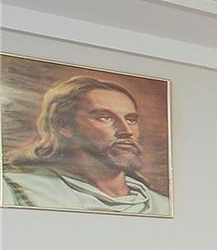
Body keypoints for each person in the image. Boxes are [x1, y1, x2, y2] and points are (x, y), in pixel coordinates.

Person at [3, 74, 171, 215]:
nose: (126, 130)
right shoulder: (20, 189)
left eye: (131, 119)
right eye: (105, 118)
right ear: (64, 126)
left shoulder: (162, 206)